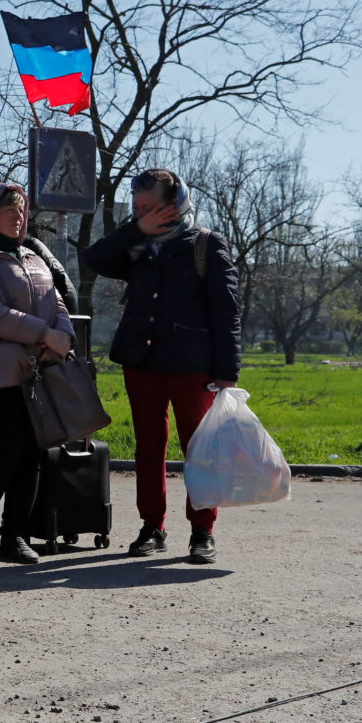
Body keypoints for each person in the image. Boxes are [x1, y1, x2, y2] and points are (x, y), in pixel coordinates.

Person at [83, 167, 241, 565]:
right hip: (142, 361)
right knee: (148, 447)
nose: (143, 215)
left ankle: (202, 531)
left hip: (193, 366)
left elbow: (227, 313)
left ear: (176, 203)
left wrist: (227, 374)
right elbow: (95, 258)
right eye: (137, 208)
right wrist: (137, 229)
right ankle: (152, 526)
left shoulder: (206, 244)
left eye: (152, 208)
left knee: (199, 449)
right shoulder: (133, 244)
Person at [0, 184, 75, 564]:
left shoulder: (33, 258)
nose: (19, 217)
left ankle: (14, 535)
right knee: (7, 454)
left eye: (22, 210)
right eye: (10, 210)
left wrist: (64, 336)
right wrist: (44, 334)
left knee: (34, 456)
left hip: (39, 375)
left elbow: (57, 304)